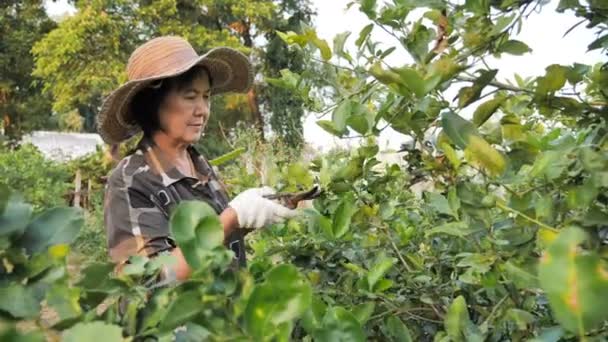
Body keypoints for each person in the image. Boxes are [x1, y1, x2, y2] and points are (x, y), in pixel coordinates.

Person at [97, 36, 297, 281]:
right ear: (152, 104)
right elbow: (150, 281)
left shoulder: (201, 168)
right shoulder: (131, 180)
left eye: (207, 96)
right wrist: (230, 218)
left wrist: (252, 214)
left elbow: (214, 245)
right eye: (190, 97)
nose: (202, 110)